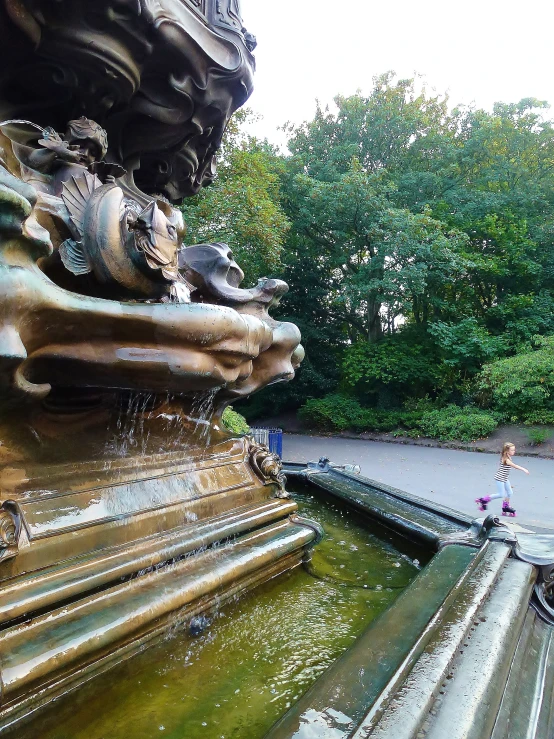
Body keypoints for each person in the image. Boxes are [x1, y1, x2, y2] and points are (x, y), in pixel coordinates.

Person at [476, 442, 529, 517]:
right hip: (500, 478)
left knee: (510, 493)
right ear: (507, 451)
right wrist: (524, 469)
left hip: (505, 478)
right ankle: (484, 499)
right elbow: (515, 466)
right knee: (501, 494)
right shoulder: (506, 459)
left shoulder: (507, 456)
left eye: (514, 450)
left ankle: (505, 506)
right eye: (512, 450)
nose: (514, 451)